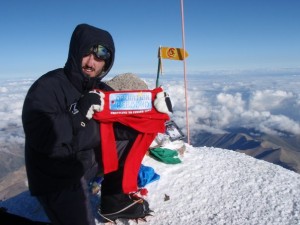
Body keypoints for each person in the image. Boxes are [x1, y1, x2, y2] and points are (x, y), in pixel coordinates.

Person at [22, 23, 172, 225]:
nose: (91, 63)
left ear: (107, 62)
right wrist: (78, 114)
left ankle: (114, 201)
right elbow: (41, 138)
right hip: (58, 176)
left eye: (100, 57)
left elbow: (122, 127)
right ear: (75, 53)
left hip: (87, 162)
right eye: (86, 53)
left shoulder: (103, 91)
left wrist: (155, 112)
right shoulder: (47, 87)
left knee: (132, 136)